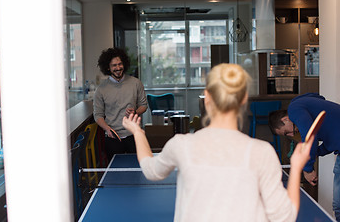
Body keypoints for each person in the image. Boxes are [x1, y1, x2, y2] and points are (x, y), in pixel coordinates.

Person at [123, 64, 313, 222]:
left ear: (207, 98)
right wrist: (296, 167)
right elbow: (284, 217)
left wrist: (137, 132)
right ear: (244, 99)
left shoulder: (181, 144)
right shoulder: (262, 152)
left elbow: (150, 170)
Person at [269, 92, 340, 221]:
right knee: (338, 205)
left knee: (338, 206)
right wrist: (314, 153)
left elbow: (310, 137)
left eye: (286, 132)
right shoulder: (304, 105)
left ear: (285, 119)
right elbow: (329, 142)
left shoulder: (294, 109)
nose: (291, 135)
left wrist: (307, 169)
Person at [93, 47, 147, 161]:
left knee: (138, 171)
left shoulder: (136, 83)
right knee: (116, 174)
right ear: (108, 67)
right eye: (114, 65)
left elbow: (144, 105)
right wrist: (107, 129)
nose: (118, 68)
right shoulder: (101, 89)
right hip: (113, 138)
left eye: (120, 64)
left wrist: (136, 111)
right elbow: (98, 115)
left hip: (134, 134)